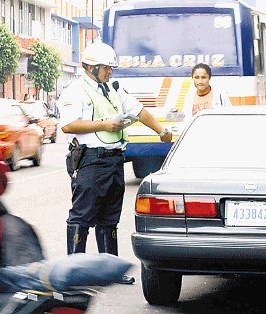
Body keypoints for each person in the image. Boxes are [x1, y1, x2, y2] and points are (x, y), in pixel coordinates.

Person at [57, 42, 173, 285]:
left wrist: (161, 131)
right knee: (82, 216)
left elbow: (140, 111)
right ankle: (73, 272)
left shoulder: (112, 89)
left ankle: (110, 269)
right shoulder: (74, 91)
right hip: (90, 159)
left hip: (113, 159)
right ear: (91, 67)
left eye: (111, 68)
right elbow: (68, 125)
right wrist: (104, 124)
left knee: (110, 217)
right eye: (107, 68)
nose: (110, 72)